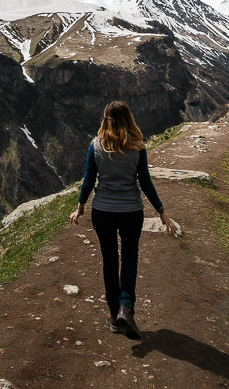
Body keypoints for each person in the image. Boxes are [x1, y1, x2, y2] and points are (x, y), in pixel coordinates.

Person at [69, 101, 176, 339]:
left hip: (102, 212)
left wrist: (80, 207)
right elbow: (146, 183)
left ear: (105, 119)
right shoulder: (137, 147)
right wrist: (161, 211)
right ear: (129, 119)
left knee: (109, 259)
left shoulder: (96, 146)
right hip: (131, 212)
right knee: (129, 257)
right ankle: (125, 307)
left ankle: (113, 316)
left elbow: (88, 179)